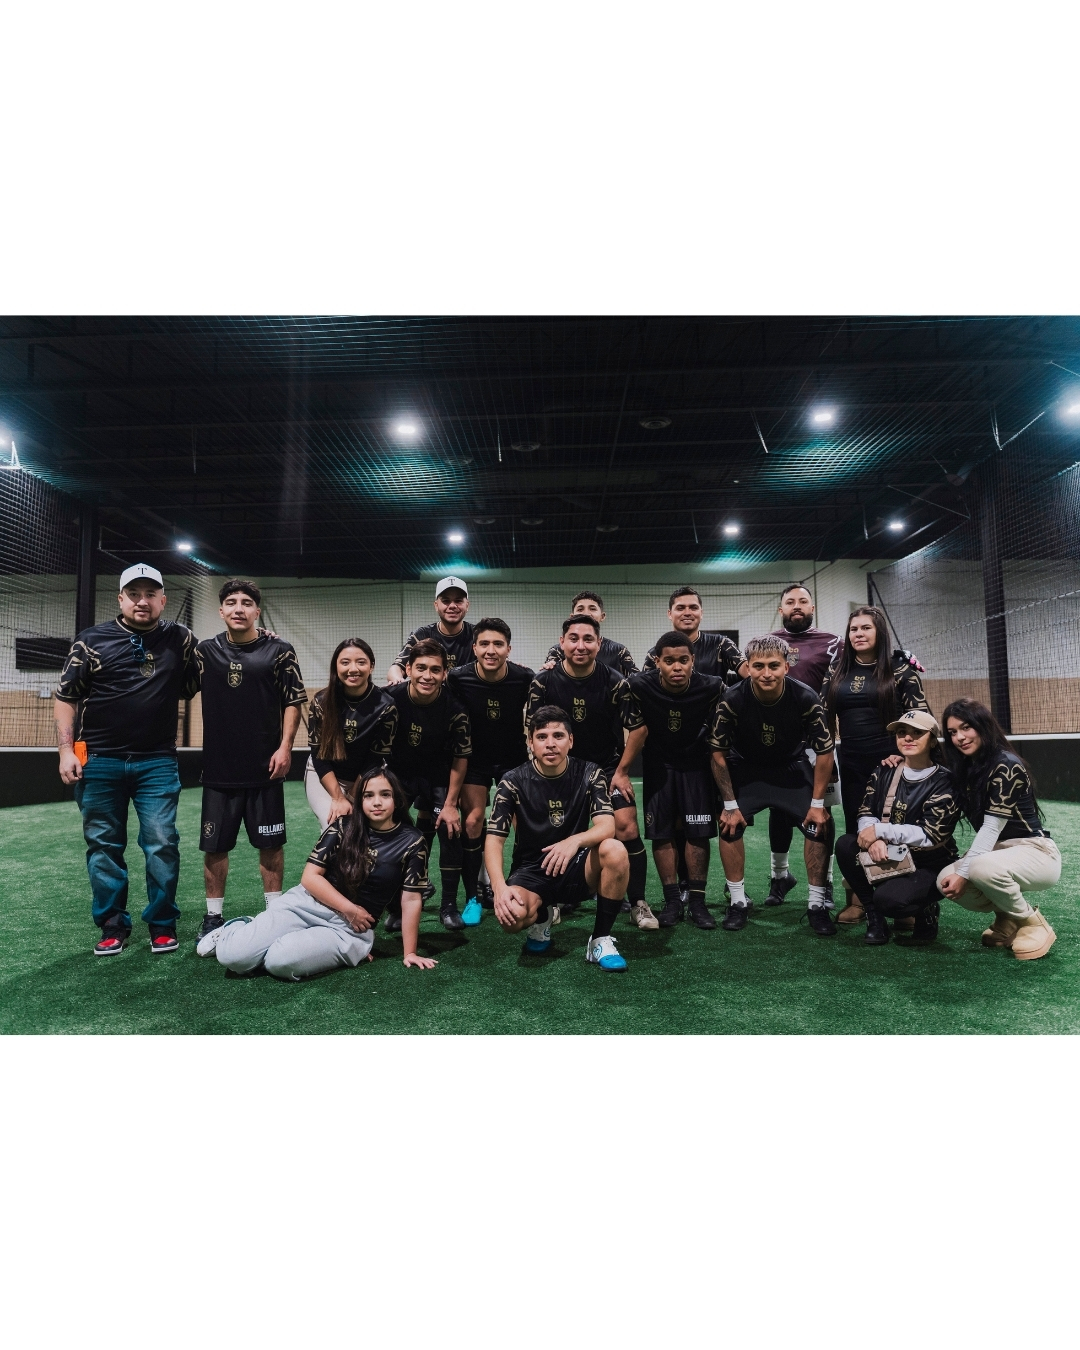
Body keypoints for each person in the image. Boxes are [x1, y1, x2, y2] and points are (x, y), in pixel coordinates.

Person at [54, 563, 199, 955]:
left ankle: (163, 925)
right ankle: (113, 925)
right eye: (134, 594)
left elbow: (214, 664)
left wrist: (257, 636)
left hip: (157, 762)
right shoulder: (91, 641)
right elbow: (66, 696)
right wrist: (67, 749)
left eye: (150, 594)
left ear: (163, 600)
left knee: (162, 842)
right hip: (99, 761)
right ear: (120, 599)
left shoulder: (180, 639)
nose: (142, 601)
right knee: (103, 846)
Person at [199, 767, 436, 978]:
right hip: (307, 904)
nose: (377, 802)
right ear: (359, 801)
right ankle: (240, 928)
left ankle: (266, 940)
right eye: (368, 795)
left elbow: (411, 899)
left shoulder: (413, 842)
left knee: (279, 962)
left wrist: (410, 952)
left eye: (385, 795)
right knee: (233, 957)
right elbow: (310, 878)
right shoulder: (343, 827)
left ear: (397, 799)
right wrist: (350, 909)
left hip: (349, 931)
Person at [194, 580, 307, 945]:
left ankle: (274, 913)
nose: (239, 608)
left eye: (246, 602)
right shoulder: (204, 652)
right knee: (215, 847)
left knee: (270, 845)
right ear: (221, 611)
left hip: (265, 767)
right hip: (219, 770)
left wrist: (285, 747)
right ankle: (213, 917)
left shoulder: (280, 650)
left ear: (257, 610)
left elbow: (293, 701)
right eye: (231, 602)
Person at [525, 615, 656, 928]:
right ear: (562, 643)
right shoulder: (544, 682)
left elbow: (638, 730)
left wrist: (622, 772)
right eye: (573, 638)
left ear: (599, 644)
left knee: (625, 827)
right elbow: (531, 728)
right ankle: (552, 899)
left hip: (606, 768)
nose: (580, 645)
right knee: (553, 830)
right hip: (561, 769)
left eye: (588, 639)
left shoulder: (614, 682)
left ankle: (637, 901)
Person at [485, 705, 631, 972]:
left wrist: (573, 841)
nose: (550, 744)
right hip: (531, 870)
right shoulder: (512, 781)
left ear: (571, 740)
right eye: (541, 737)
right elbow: (494, 839)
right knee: (510, 919)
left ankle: (599, 940)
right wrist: (499, 888)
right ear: (530, 742)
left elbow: (607, 826)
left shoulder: (590, 773)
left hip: (577, 866)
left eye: (558, 736)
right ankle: (542, 918)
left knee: (615, 849)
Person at [709, 635, 837, 935]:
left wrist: (818, 806)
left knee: (821, 825)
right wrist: (729, 805)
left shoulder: (806, 698)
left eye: (774, 666)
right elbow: (717, 752)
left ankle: (817, 905)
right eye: (758, 666)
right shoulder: (732, 698)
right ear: (748, 667)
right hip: (747, 768)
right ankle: (738, 901)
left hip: (791, 768)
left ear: (786, 666)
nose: (766, 673)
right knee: (728, 824)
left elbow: (825, 752)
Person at [821, 606, 929, 924]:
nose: (859, 634)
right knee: (858, 832)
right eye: (854, 629)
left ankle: (903, 901)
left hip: (892, 765)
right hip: (852, 763)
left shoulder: (900, 670)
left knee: (896, 832)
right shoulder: (837, 669)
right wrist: (825, 759)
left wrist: (907, 756)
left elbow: (922, 720)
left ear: (879, 632)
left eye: (866, 628)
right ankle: (858, 899)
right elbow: (822, 716)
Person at [937, 699, 1060, 960]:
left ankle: (1032, 922)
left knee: (977, 868)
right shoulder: (966, 768)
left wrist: (966, 872)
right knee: (944, 878)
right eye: (952, 732)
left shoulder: (1007, 764)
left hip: (1035, 851)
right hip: (997, 854)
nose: (960, 737)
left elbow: (992, 828)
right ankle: (1007, 916)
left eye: (966, 728)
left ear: (982, 726)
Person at [622, 631, 728, 929]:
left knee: (697, 834)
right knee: (662, 833)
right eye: (669, 661)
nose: (677, 667)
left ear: (693, 660)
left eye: (684, 660)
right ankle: (671, 902)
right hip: (658, 767)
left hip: (697, 767)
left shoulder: (713, 686)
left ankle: (697, 902)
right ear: (657, 662)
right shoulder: (637, 685)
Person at [834, 709, 961, 945]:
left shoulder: (944, 780)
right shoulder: (885, 769)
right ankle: (874, 917)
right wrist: (874, 838)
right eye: (902, 733)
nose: (908, 738)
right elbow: (866, 811)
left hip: (929, 862)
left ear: (933, 740)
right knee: (845, 845)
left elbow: (931, 834)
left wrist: (881, 832)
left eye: (917, 733)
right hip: (890, 853)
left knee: (890, 901)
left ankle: (926, 910)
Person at [447, 618, 534, 926]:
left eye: (498, 644)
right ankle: (472, 895)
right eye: (484, 644)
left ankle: (518, 883)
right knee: (472, 821)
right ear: (474, 648)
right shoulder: (458, 678)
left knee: (522, 823)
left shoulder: (524, 678)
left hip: (513, 759)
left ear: (509, 649)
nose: (491, 650)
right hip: (474, 760)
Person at [761, 583, 842, 907]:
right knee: (778, 810)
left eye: (803, 601)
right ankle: (779, 877)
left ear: (812, 607)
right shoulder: (767, 645)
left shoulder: (834, 644)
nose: (797, 606)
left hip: (818, 744)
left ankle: (827, 883)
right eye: (790, 602)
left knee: (824, 813)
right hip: (777, 747)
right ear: (781, 609)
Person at [386, 638, 472, 931]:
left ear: (444, 674)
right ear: (407, 668)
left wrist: (450, 805)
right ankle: (395, 905)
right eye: (420, 668)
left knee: (449, 829)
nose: (427, 675)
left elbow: (461, 759)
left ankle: (448, 906)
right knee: (387, 835)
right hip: (398, 778)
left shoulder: (454, 709)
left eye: (435, 670)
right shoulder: (389, 699)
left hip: (437, 777)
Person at [306, 638, 397, 829]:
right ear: (336, 667)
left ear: (371, 666)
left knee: (367, 828)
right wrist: (338, 797)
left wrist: (354, 795)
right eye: (345, 662)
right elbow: (318, 755)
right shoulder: (321, 702)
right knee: (336, 826)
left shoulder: (386, 706)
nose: (353, 669)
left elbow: (375, 757)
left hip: (365, 776)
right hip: (324, 775)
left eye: (361, 662)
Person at [642, 585, 749, 681]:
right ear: (670, 614)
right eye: (680, 608)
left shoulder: (721, 644)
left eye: (693, 608)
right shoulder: (655, 654)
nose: (687, 613)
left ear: (701, 613)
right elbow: (643, 689)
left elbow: (750, 673)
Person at [387, 576, 474, 684]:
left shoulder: (477, 635)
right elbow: (397, 667)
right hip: (430, 698)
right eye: (446, 601)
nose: (452, 605)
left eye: (458, 601)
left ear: (467, 605)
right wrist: (396, 680)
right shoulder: (421, 635)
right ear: (436, 605)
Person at [540, 590, 638, 675]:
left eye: (592, 608)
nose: (586, 613)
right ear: (572, 616)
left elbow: (635, 682)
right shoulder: (557, 651)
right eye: (580, 609)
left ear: (602, 616)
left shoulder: (618, 651)